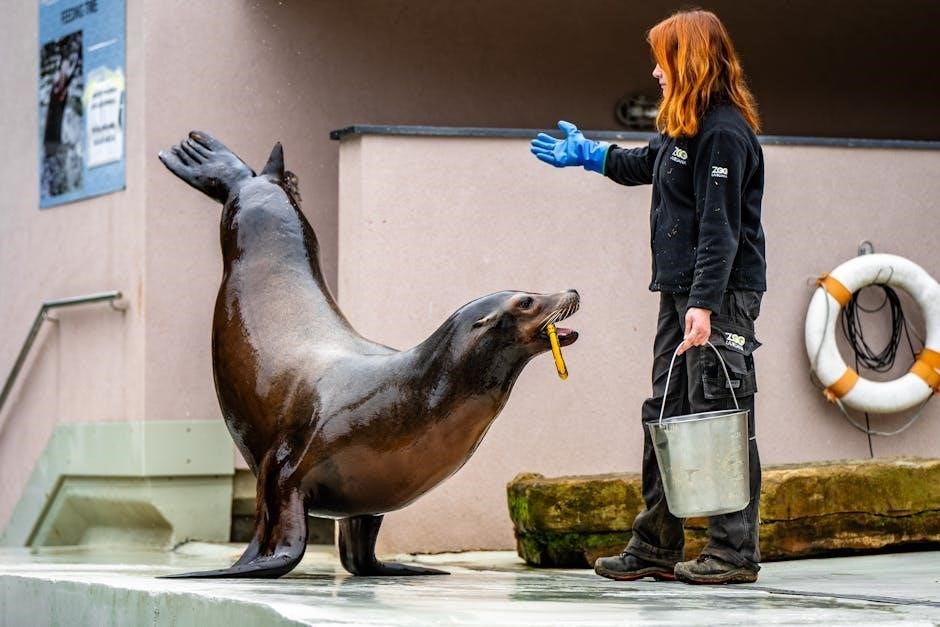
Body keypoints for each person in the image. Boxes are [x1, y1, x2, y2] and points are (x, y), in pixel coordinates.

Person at [530, 8, 766, 585]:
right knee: (666, 411)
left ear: (688, 60)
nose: (655, 72)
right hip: (682, 293)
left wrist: (704, 305)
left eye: (662, 60)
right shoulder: (685, 127)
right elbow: (647, 164)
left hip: (719, 296)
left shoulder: (724, 132)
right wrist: (591, 155)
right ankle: (656, 544)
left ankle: (733, 552)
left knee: (719, 412)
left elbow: (721, 229)